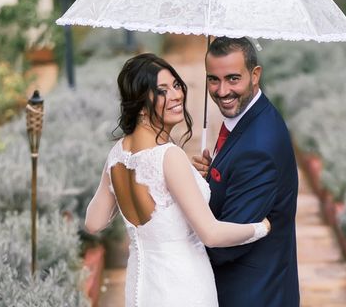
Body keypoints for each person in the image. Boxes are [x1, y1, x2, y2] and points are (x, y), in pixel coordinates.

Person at [84, 53, 271, 307]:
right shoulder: (169, 157)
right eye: (162, 91)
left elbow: (93, 222)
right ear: (140, 103)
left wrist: (120, 191)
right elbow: (211, 234)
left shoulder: (117, 153)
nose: (176, 95)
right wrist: (261, 228)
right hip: (183, 286)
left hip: (142, 288)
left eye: (175, 85)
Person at [192, 37, 300, 307]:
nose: (222, 90)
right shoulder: (247, 119)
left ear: (255, 75)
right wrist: (209, 177)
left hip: (251, 294)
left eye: (232, 79)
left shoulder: (259, 146)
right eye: (213, 80)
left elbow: (226, 245)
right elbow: (233, 179)